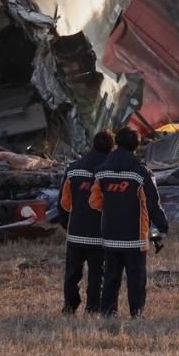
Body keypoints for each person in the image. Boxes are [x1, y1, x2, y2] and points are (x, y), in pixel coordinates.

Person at [89, 125, 169, 318]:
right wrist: (163, 227)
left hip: (110, 234)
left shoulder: (101, 172)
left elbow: (94, 202)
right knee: (136, 278)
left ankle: (108, 313)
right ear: (136, 145)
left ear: (116, 143)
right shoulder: (141, 172)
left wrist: (113, 210)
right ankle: (136, 313)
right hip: (135, 237)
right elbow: (152, 203)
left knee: (110, 277)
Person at [57, 129, 115, 314]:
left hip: (76, 232)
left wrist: (66, 224)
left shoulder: (74, 169)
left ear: (92, 145)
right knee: (97, 275)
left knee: (72, 274)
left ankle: (69, 307)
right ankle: (92, 308)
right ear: (112, 148)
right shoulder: (111, 173)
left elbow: (64, 203)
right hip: (100, 234)